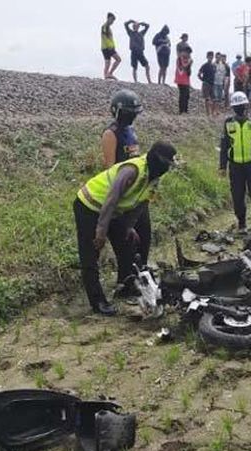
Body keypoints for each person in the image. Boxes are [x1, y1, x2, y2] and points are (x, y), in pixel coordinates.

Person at [75, 142, 178, 315]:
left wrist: (129, 226)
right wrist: (101, 232)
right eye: (166, 164)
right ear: (157, 160)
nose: (167, 169)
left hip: (114, 212)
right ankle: (98, 301)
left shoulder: (153, 177)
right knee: (91, 253)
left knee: (127, 246)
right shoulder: (133, 170)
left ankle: (125, 286)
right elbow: (111, 199)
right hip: (90, 206)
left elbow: (141, 202)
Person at [100, 90, 153, 296]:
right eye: (129, 112)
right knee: (126, 243)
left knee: (145, 236)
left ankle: (141, 275)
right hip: (123, 196)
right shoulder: (110, 134)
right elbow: (110, 169)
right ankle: (126, 283)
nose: (132, 116)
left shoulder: (131, 131)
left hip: (138, 193)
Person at [220, 91, 251, 233]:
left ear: (246, 105)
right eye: (236, 106)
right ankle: (242, 224)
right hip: (235, 166)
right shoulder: (228, 123)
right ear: (233, 108)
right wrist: (222, 166)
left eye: (241, 105)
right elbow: (224, 146)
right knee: (237, 196)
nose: (239, 108)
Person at [124, 19, 151, 83]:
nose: (136, 27)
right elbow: (125, 24)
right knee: (134, 67)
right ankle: (135, 81)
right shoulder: (131, 33)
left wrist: (141, 23)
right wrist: (131, 21)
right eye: (134, 26)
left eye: (137, 26)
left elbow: (148, 26)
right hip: (134, 52)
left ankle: (149, 81)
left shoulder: (141, 33)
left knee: (147, 65)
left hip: (140, 52)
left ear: (138, 27)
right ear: (133, 27)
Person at [101, 13, 121, 80]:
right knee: (118, 59)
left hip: (105, 47)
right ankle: (110, 73)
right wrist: (110, 46)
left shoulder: (107, 27)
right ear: (109, 18)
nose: (112, 22)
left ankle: (106, 76)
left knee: (107, 62)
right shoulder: (105, 26)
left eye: (113, 21)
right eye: (112, 20)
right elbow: (104, 37)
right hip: (108, 47)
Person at [174, 46, 193, 114]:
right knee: (182, 95)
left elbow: (188, 71)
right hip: (180, 79)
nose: (189, 55)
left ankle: (185, 109)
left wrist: (190, 65)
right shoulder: (180, 58)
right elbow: (183, 67)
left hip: (186, 80)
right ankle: (181, 110)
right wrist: (189, 63)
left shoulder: (187, 59)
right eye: (188, 53)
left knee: (187, 95)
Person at [198, 51, 216, 116]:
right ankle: (208, 113)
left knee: (214, 99)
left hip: (212, 84)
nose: (211, 57)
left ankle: (212, 113)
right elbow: (199, 74)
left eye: (212, 56)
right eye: (209, 56)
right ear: (207, 57)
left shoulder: (214, 66)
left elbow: (214, 74)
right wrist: (203, 80)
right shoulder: (204, 65)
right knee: (207, 99)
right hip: (206, 84)